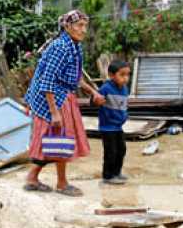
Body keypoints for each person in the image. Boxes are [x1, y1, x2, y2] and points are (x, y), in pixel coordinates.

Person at [24, 10, 105, 197]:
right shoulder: (61, 47)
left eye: (85, 26)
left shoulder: (74, 46)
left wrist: (92, 91)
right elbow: (47, 81)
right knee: (60, 138)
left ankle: (32, 178)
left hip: (61, 96)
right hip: (52, 99)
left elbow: (74, 78)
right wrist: (54, 112)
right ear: (67, 27)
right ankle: (61, 183)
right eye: (79, 25)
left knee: (55, 140)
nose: (84, 30)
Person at [98, 60, 131, 184]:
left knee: (121, 150)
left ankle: (116, 173)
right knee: (110, 152)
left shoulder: (124, 89)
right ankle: (107, 176)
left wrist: (125, 116)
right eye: (122, 75)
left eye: (128, 75)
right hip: (107, 128)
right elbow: (94, 100)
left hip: (118, 127)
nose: (125, 78)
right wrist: (96, 100)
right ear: (112, 75)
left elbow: (124, 105)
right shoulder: (106, 88)